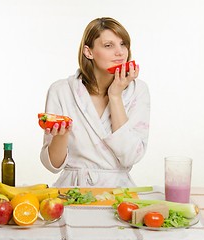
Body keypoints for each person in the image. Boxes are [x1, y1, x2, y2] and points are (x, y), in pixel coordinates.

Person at [40, 17, 150, 187]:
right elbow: (52, 165)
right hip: (72, 191)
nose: (120, 52)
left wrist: (115, 96)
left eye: (123, 44)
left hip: (119, 194)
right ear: (88, 52)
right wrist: (61, 136)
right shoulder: (61, 91)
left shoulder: (137, 90)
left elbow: (131, 156)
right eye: (109, 45)